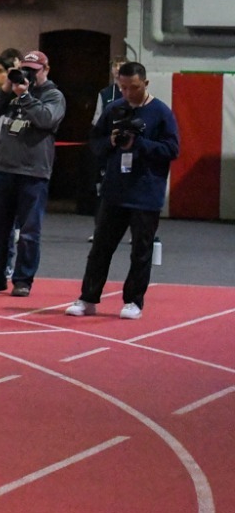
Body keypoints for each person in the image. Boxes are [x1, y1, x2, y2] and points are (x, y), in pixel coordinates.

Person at [68, 62, 178, 320]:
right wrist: (112, 141)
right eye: (123, 87)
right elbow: (95, 143)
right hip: (114, 191)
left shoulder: (161, 112)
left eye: (134, 87)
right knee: (100, 249)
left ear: (146, 84)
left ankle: (134, 301)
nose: (128, 93)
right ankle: (88, 298)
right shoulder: (113, 109)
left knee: (141, 250)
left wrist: (140, 144)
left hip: (146, 193)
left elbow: (172, 150)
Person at [0, 51, 64, 298]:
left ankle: (23, 280)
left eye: (34, 70)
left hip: (33, 172)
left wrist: (26, 96)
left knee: (29, 231)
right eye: (26, 69)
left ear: (46, 69)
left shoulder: (53, 95)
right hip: (4, 168)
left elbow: (46, 118)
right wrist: (7, 89)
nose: (29, 74)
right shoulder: (11, 93)